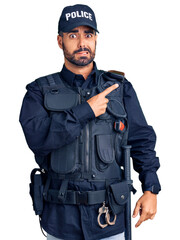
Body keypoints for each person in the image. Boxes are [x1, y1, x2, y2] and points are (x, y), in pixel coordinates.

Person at [19, 4, 161, 240]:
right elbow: (38, 138)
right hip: (60, 220)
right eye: (73, 35)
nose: (82, 42)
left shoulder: (119, 88)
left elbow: (141, 139)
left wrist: (151, 188)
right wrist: (85, 111)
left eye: (88, 34)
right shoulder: (38, 91)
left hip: (110, 219)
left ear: (96, 39)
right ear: (59, 41)